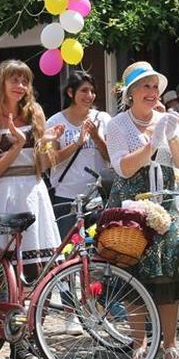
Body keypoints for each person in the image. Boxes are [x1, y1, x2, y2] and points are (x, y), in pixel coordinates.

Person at [105, 61, 179, 359]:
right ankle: (139, 342)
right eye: (145, 86)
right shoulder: (117, 125)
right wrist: (150, 146)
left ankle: (170, 344)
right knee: (134, 273)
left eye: (155, 86)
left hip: (165, 201)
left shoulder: (166, 119)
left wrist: (169, 135)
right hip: (132, 203)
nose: (152, 92)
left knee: (170, 271)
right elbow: (123, 167)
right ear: (131, 93)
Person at [0, 60, 63, 359]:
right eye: (14, 80)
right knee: (8, 269)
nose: (20, 86)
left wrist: (49, 144)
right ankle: (12, 336)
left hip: (35, 191)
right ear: (1, 83)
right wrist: (16, 145)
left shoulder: (35, 113)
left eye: (24, 81)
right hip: (6, 194)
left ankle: (32, 334)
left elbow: (44, 163)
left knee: (39, 267)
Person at [47, 70, 110, 238]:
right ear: (70, 92)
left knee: (96, 250)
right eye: (84, 90)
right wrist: (77, 143)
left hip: (96, 197)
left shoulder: (102, 119)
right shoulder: (55, 122)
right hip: (66, 197)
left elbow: (111, 158)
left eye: (92, 91)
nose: (89, 95)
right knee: (67, 251)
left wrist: (96, 137)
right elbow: (49, 160)